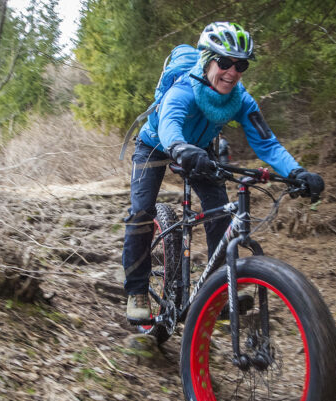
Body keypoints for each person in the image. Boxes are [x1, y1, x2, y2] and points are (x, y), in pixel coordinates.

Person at [123, 22, 324, 323]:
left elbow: (267, 143)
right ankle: (137, 291)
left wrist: (297, 172)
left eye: (240, 65)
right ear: (207, 59)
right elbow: (169, 124)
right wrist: (178, 147)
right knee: (141, 212)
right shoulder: (183, 89)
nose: (232, 72)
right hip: (156, 144)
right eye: (225, 62)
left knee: (220, 212)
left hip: (199, 149)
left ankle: (218, 291)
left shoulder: (240, 99)